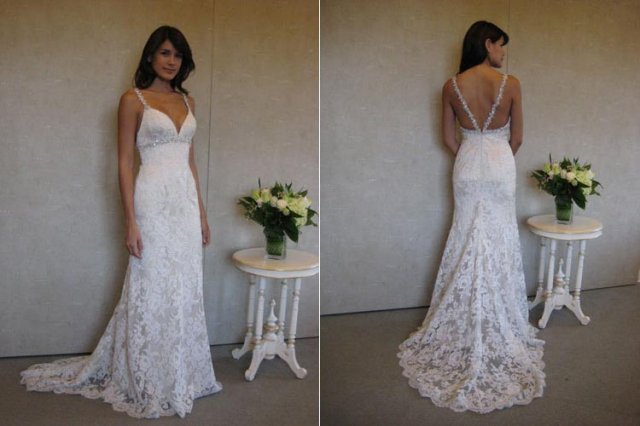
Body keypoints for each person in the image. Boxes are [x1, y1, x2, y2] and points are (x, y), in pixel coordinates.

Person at [20, 26, 222, 418]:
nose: (171, 61)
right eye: (165, 52)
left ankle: (180, 372)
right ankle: (147, 376)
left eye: (178, 55)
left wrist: (201, 212)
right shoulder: (133, 100)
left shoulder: (189, 101)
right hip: (151, 201)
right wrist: (131, 220)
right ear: (150, 56)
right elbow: (125, 163)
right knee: (151, 282)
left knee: (184, 284)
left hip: (183, 205)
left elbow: (190, 161)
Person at [398, 21, 545, 413]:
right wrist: (497, 158)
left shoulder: (450, 86)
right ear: (487, 43)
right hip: (499, 164)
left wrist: (469, 154)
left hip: (466, 165)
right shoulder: (511, 84)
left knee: (465, 235)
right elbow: (518, 138)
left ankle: (463, 317)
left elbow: (448, 139)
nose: (503, 53)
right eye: (501, 46)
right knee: (498, 237)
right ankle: (500, 317)